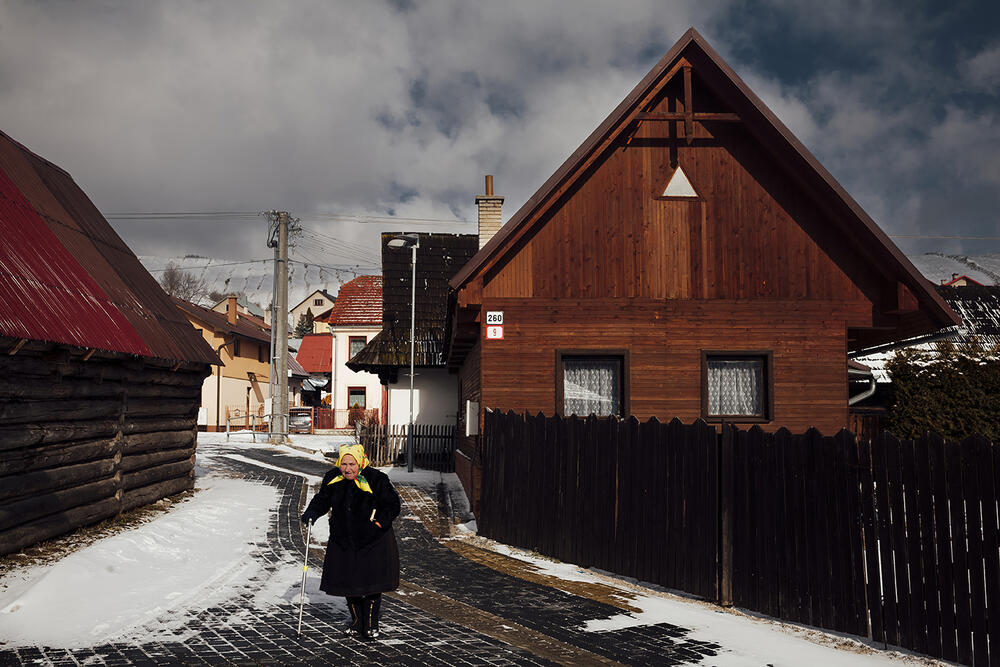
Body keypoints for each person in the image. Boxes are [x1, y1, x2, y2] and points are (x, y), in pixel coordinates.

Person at [301, 443, 401, 640]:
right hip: (343, 538)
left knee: (371, 583)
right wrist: (312, 512)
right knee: (349, 582)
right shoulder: (333, 478)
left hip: (373, 539)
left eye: (352, 464)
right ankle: (356, 621)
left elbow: (392, 504)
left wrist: (379, 523)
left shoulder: (376, 479)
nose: (347, 469)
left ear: (360, 462)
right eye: (344, 464)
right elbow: (323, 499)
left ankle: (371, 623)